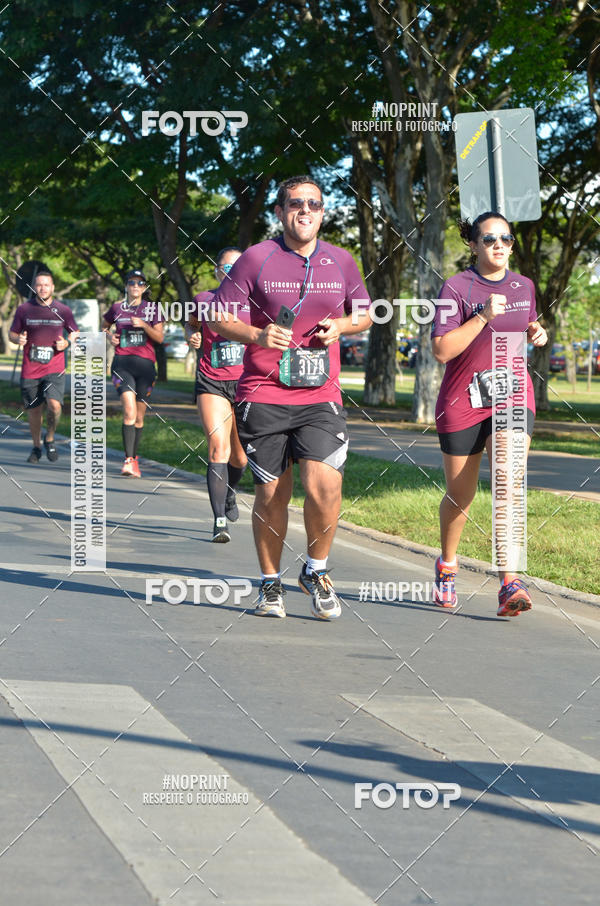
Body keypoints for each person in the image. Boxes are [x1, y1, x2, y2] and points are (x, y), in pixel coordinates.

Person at [208, 175, 372, 620]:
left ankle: (315, 570)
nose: (305, 210)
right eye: (295, 203)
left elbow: (365, 314)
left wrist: (342, 326)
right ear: (279, 212)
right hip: (264, 394)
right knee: (273, 492)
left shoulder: (342, 261)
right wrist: (258, 333)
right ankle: (269, 582)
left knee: (325, 486)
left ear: (323, 212)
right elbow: (219, 317)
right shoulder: (256, 259)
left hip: (321, 394)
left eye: (314, 204)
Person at [431, 212, 547, 616]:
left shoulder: (524, 285)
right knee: (461, 497)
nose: (499, 245)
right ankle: (447, 565)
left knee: (508, 483)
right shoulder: (456, 287)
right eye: (489, 239)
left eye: (506, 239)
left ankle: (509, 582)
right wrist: (482, 315)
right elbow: (442, 350)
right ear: (474, 244)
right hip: (463, 401)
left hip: (513, 395)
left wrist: (536, 331)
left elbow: (526, 322)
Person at [188, 247, 249, 543]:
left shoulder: (256, 302)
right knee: (217, 447)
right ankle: (219, 522)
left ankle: (229, 494)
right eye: (225, 268)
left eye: (236, 269)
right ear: (217, 272)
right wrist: (193, 335)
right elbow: (193, 324)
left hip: (247, 385)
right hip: (212, 381)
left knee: (240, 458)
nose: (230, 274)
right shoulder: (204, 300)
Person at [9, 270, 79, 463]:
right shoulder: (24, 309)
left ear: (53, 288)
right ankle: (36, 446)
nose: (42, 288)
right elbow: (12, 333)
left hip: (54, 367)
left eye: (46, 285)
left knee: (55, 406)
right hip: (31, 368)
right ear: (35, 287)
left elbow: (74, 332)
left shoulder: (63, 310)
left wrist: (67, 342)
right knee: (34, 410)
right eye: (39, 285)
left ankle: (50, 438)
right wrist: (18, 339)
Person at [103, 269, 164, 477]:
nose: (135, 287)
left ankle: (134, 459)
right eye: (132, 283)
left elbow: (160, 338)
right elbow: (104, 328)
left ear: (145, 287)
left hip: (146, 368)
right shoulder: (116, 308)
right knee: (128, 410)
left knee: (139, 417)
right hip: (122, 364)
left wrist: (145, 326)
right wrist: (109, 337)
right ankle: (128, 460)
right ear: (126, 286)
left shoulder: (153, 309)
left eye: (140, 283)